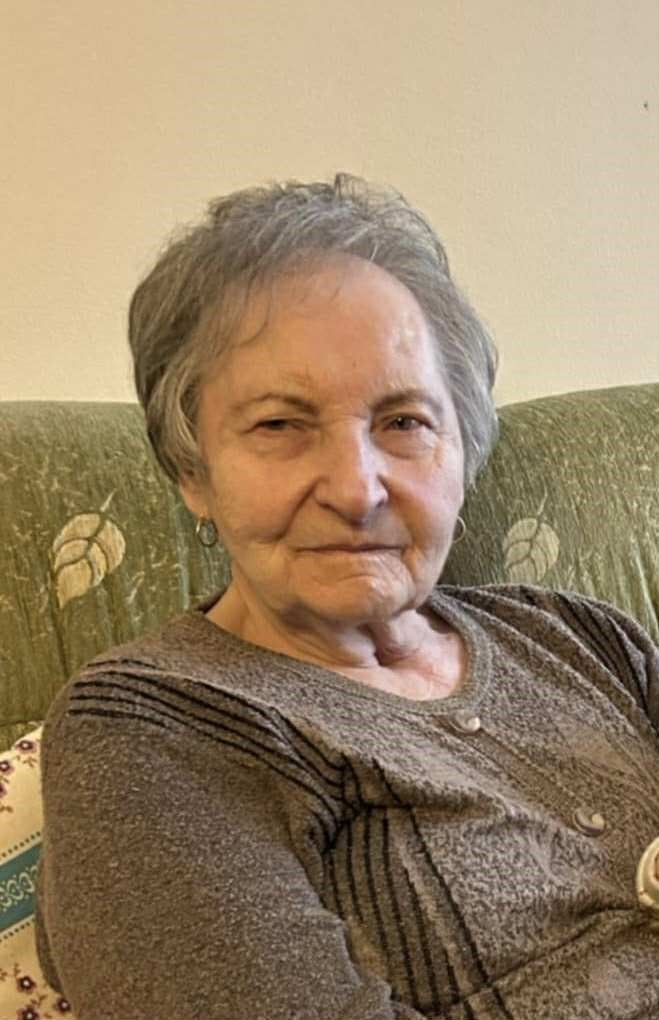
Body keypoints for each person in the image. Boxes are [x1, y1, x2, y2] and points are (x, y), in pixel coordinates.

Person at [36, 174, 659, 1020]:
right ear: (193, 472)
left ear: (462, 452)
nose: (355, 489)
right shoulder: (155, 724)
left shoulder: (574, 633)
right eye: (279, 425)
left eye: (403, 422)